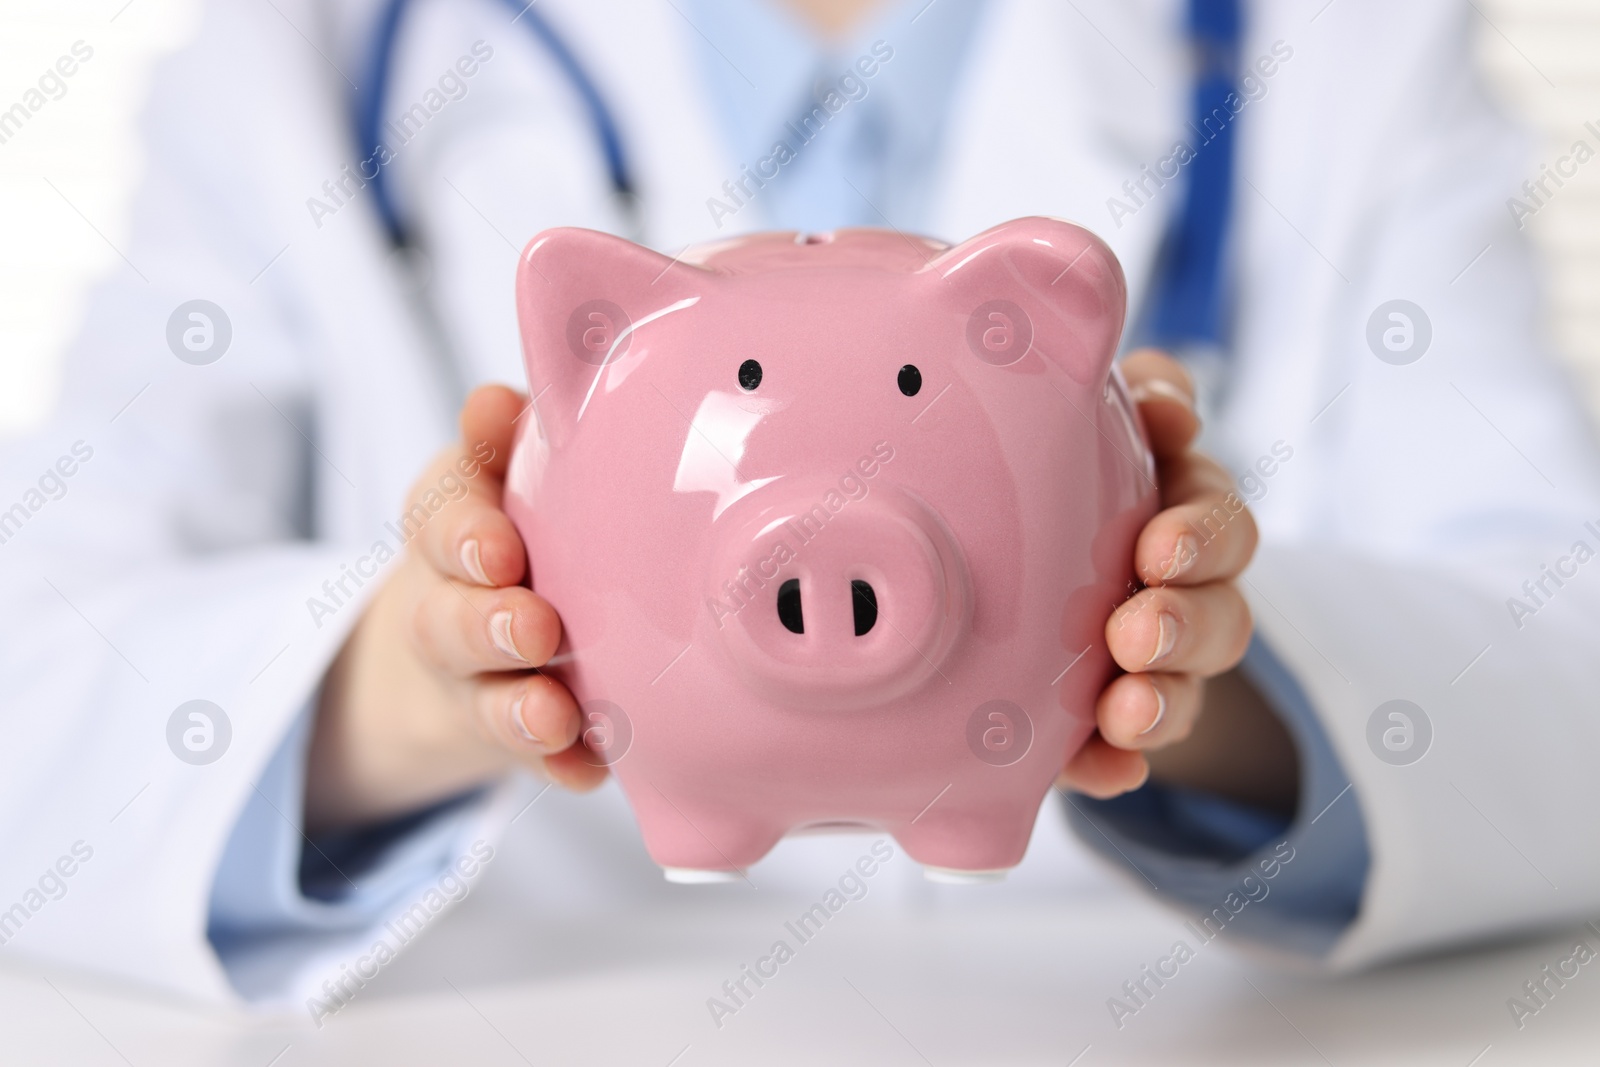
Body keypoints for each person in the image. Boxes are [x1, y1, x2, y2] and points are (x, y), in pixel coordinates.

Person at [2, 0, 1598, 1011]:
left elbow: (1570, 663)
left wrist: (1195, 671)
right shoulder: (311, 55)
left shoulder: (1345, 41)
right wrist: (429, 678)